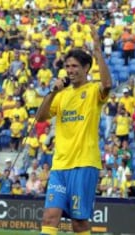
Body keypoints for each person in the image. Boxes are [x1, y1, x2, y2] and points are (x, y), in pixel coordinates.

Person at [36, 26, 112, 235]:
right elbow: (40, 118)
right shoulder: (61, 94)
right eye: (67, 66)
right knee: (50, 217)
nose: (70, 70)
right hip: (60, 165)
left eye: (75, 66)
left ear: (86, 68)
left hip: (84, 163)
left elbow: (107, 84)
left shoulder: (93, 90)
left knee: (79, 222)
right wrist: (52, 92)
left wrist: (97, 50)